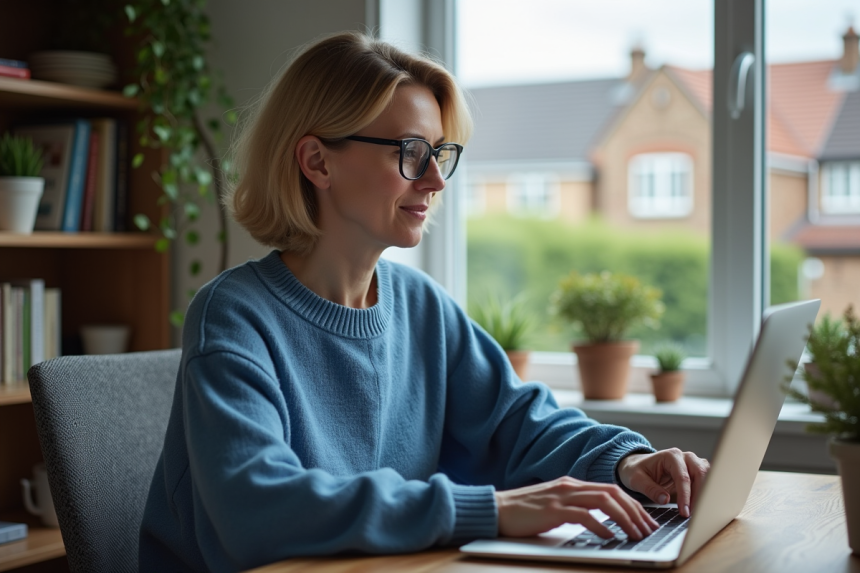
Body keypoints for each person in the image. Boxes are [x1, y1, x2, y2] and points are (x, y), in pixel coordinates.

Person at [138, 31, 710, 572]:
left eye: (439, 152)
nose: (435, 180)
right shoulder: (233, 316)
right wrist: (489, 510)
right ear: (317, 162)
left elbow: (518, 423)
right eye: (411, 152)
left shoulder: (420, 306)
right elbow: (258, 506)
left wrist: (627, 462)